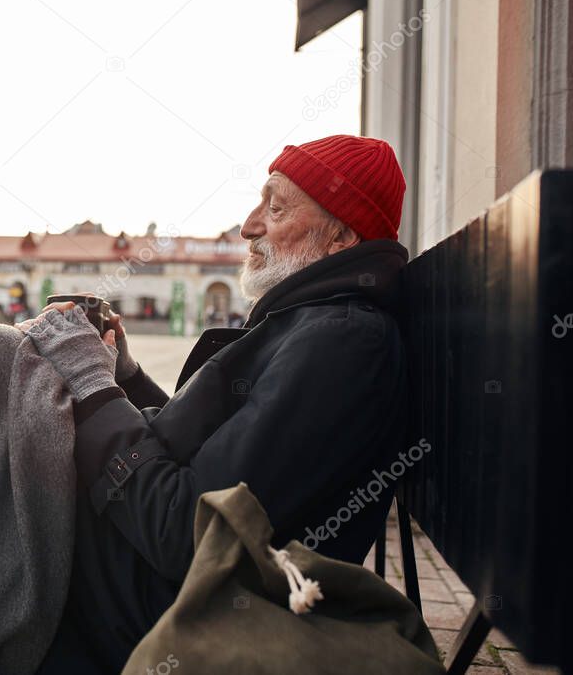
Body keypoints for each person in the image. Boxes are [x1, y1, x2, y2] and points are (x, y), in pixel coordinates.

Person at [29, 134, 410, 672]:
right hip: (131, 571)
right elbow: (208, 463)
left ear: (341, 235)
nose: (249, 225)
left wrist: (93, 388)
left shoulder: (341, 343)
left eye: (274, 208)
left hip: (155, 606)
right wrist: (125, 379)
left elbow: (186, 532)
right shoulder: (317, 324)